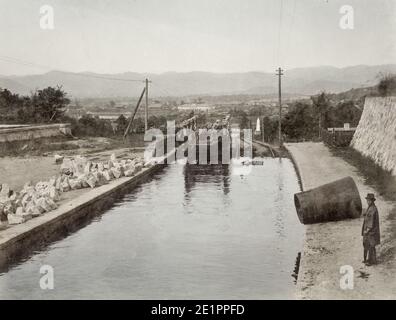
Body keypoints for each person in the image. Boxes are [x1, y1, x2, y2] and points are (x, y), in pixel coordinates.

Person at [361, 193, 380, 266]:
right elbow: (367, 215)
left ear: (372, 201)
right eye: (367, 200)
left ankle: (372, 261)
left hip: (371, 231)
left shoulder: (372, 209)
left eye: (369, 200)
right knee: (369, 245)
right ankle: (370, 260)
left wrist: (367, 230)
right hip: (370, 230)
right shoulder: (371, 207)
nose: (367, 201)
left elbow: (371, 221)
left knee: (371, 245)